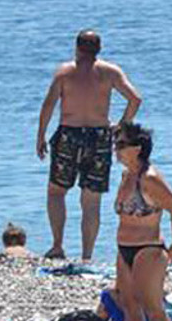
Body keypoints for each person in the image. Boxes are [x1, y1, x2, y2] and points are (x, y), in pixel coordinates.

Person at [36, 30, 143, 262]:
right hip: (99, 136)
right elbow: (135, 99)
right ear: (99, 49)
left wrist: (41, 135)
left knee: (56, 191)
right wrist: (122, 126)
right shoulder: (110, 72)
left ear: (77, 47)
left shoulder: (65, 72)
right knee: (91, 200)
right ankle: (86, 256)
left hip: (69, 134)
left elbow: (48, 106)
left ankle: (57, 246)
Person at [111, 122, 172, 321]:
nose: (116, 149)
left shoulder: (149, 179)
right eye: (115, 143)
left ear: (138, 148)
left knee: (153, 307)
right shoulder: (126, 176)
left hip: (148, 248)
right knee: (129, 303)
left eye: (121, 144)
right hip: (124, 248)